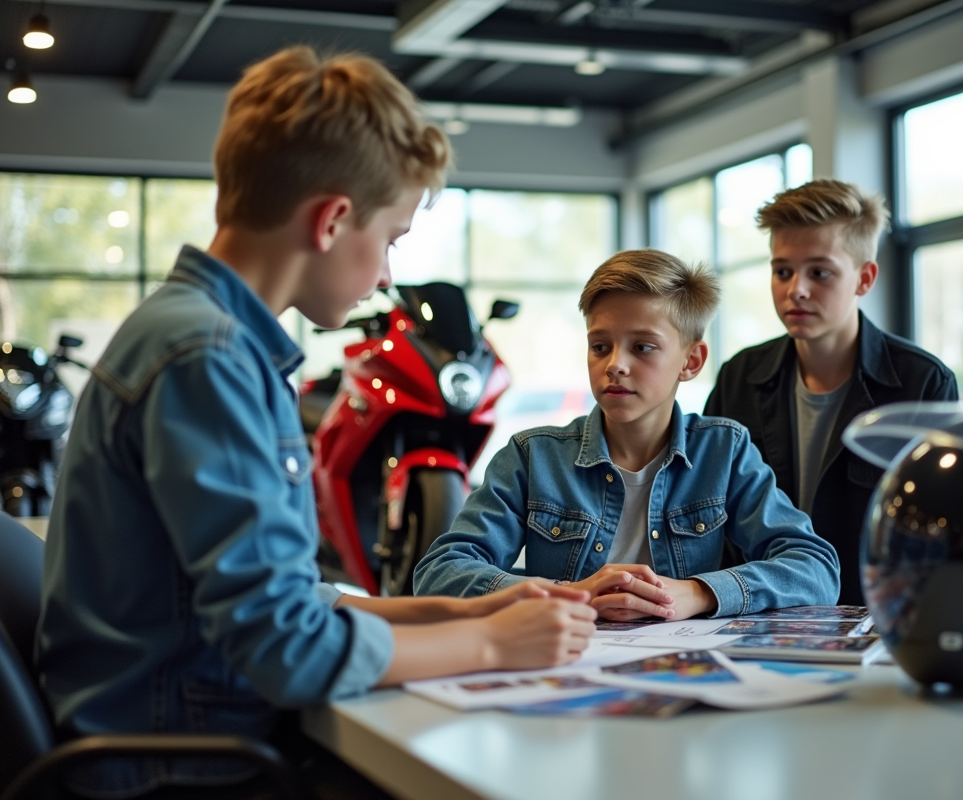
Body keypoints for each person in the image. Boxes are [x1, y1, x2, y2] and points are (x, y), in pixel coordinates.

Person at [36, 47, 596, 800]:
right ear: (333, 221)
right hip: (185, 767)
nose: (389, 275)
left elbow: (282, 602)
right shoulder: (206, 359)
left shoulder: (201, 337)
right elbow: (286, 649)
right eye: (392, 239)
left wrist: (458, 608)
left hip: (181, 736)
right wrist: (494, 643)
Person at [414, 249, 840, 621]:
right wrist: (568, 594)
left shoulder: (724, 451)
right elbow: (439, 573)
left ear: (691, 361)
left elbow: (815, 567)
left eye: (643, 347)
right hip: (563, 665)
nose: (615, 364)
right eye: (600, 346)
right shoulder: (532, 456)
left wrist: (697, 593)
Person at [704, 179, 958, 606]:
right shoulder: (739, 377)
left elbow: (937, 533)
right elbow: (707, 510)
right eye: (782, 271)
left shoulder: (922, 384)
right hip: (756, 613)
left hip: (870, 616)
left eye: (819, 272)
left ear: (864, 278)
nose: (795, 289)